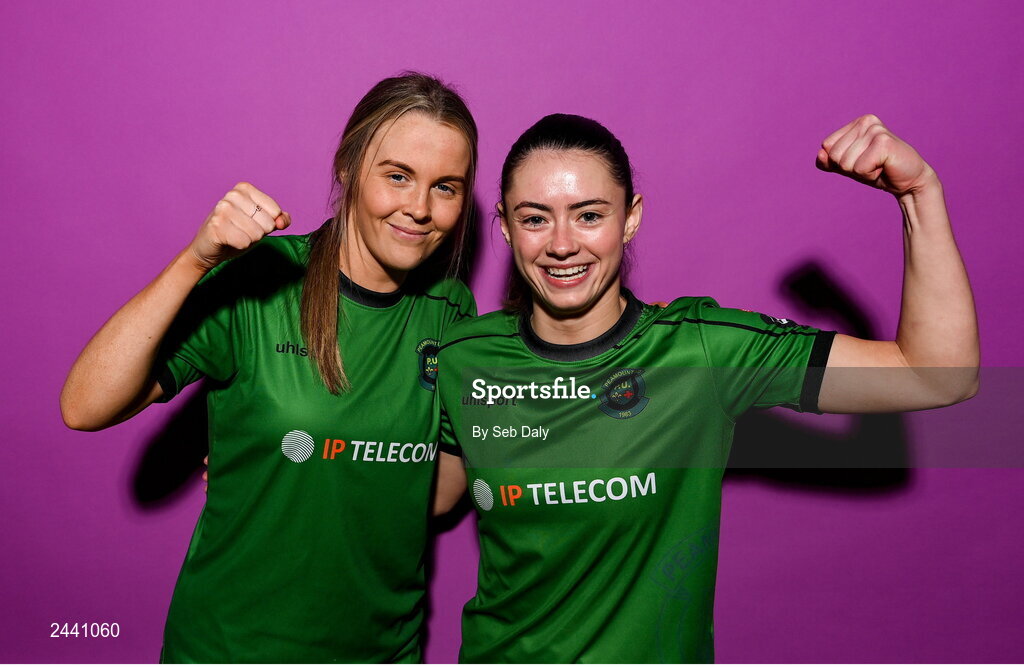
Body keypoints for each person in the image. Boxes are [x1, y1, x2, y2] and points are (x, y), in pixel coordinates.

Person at [433, 113, 978, 662]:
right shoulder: (464, 356)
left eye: (589, 215)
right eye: (534, 218)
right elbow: (428, 499)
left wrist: (918, 194)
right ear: (505, 225)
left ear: (630, 218)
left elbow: (934, 374)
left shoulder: (701, 351)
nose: (561, 244)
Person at [60, 73, 478, 662]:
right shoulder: (265, 277)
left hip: (380, 652)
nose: (419, 207)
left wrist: (312, 468)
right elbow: (83, 406)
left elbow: (429, 496)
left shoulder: (451, 310)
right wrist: (195, 260)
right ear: (347, 168)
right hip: (230, 647)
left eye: (446, 187)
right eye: (397, 176)